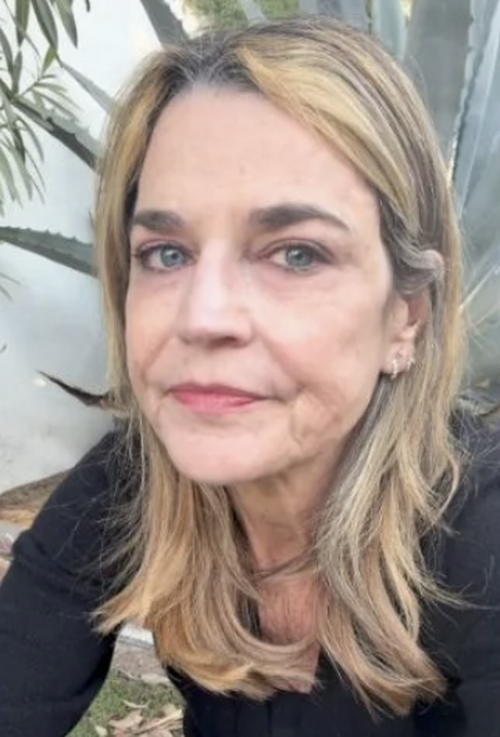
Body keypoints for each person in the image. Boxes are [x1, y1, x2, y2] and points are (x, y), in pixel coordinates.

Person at [1, 16, 499, 737]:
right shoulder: (133, 487)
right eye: (166, 253)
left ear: (406, 317)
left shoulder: (479, 533)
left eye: (297, 254)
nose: (203, 317)